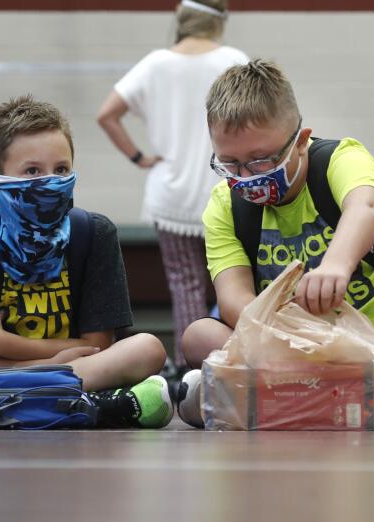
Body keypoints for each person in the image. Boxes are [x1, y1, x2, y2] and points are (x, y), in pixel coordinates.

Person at [177, 60, 374, 429]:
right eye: (229, 163)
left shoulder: (343, 159)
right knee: (198, 336)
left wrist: (336, 264)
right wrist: (293, 338)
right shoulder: (225, 205)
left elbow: (365, 207)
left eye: (260, 160)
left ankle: (248, 399)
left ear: (301, 141)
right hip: (284, 351)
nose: (246, 177)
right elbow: (234, 301)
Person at [0, 95, 171, 429]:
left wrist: (1, 343)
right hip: (67, 372)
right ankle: (77, 401)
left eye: (61, 170)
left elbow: (97, 348)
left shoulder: (95, 232)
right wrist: (52, 361)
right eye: (32, 171)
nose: (50, 181)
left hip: (19, 367)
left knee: (147, 348)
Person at [96, 0, 248, 380]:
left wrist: (139, 157)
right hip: (227, 187)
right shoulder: (233, 59)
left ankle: (188, 367)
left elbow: (107, 114)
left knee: (185, 284)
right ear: (220, 22)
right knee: (237, 279)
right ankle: (239, 359)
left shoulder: (154, 63)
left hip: (171, 196)